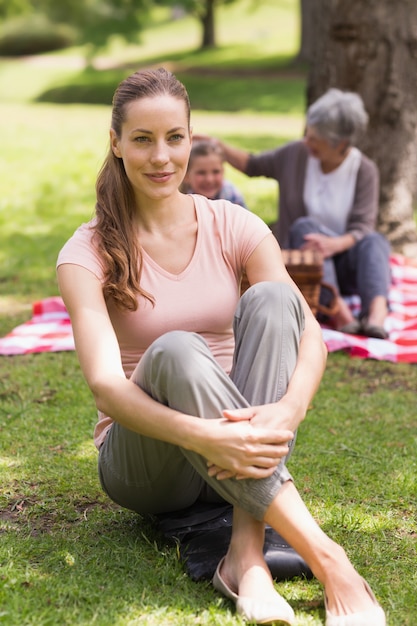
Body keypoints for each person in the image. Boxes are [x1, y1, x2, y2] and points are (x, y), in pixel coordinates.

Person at [56, 68, 385, 626]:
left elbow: (311, 336)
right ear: (115, 143)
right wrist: (207, 435)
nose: (162, 157)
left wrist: (288, 409)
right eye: (142, 139)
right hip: (149, 460)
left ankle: (246, 557)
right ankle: (332, 562)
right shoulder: (87, 251)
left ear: (191, 137)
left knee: (277, 302)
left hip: (240, 438)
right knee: (178, 349)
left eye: (174, 138)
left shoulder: (234, 225)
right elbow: (106, 387)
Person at [198, 89, 391, 339]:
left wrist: (334, 244)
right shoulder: (297, 154)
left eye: (315, 139)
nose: (307, 141)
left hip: (345, 264)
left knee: (375, 241)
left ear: (341, 144)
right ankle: (339, 313)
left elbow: (363, 225)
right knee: (304, 226)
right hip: (305, 266)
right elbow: (254, 165)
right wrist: (217, 145)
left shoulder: (364, 170)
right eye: (308, 134)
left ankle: (376, 315)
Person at [181, 138, 248, 208]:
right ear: (186, 176)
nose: (209, 179)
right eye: (201, 173)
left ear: (223, 171)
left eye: (216, 172)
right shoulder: (182, 202)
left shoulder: (232, 196)